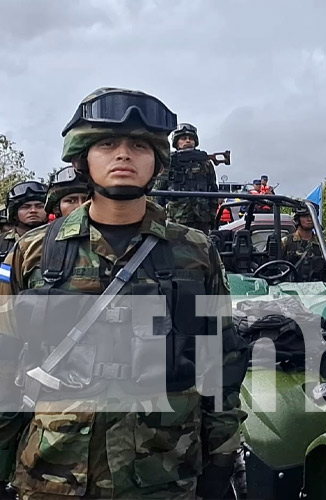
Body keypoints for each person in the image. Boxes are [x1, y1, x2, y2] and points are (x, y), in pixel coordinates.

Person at [0, 87, 247, 499]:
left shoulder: (195, 252)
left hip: (161, 472)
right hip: (54, 473)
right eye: (108, 144)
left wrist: (220, 458)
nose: (123, 155)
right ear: (83, 158)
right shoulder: (35, 251)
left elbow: (219, 361)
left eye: (139, 145)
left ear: (157, 160)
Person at [153, 122, 219, 233]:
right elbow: (158, 193)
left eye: (191, 138)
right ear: (176, 142)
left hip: (201, 218)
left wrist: (212, 217)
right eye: (183, 138)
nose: (188, 141)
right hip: (176, 218)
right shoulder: (169, 162)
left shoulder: (205, 163)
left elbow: (213, 191)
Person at [0, 181, 48, 260]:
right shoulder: (2, 242)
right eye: (26, 207)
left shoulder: (57, 238)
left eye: (39, 206)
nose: (33, 210)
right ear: (15, 213)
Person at [280, 206, 326, 282]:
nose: (309, 219)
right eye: (305, 216)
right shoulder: (285, 242)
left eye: (311, 216)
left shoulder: (321, 245)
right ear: (297, 219)